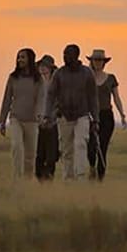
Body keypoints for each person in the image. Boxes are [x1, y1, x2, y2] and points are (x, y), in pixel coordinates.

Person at [46, 43, 97, 180]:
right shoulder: (59, 73)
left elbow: (92, 97)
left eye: (68, 54)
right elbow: (51, 94)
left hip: (82, 115)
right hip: (64, 116)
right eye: (64, 54)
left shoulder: (87, 73)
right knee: (67, 149)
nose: (65, 57)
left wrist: (96, 118)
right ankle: (68, 178)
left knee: (80, 144)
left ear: (76, 55)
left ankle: (80, 175)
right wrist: (47, 114)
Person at [0, 47, 40, 180]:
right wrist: (2, 121)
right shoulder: (13, 77)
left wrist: (40, 115)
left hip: (32, 120)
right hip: (16, 118)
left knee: (30, 153)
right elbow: (7, 98)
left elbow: (42, 98)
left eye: (23, 57)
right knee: (17, 146)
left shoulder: (37, 79)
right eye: (19, 57)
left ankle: (27, 180)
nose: (20, 60)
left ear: (30, 59)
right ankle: (17, 179)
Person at [86, 49, 127, 180]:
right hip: (91, 115)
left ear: (104, 62)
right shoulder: (87, 78)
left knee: (103, 146)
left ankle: (100, 177)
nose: (98, 63)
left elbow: (116, 97)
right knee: (91, 146)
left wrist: (122, 114)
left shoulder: (111, 78)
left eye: (100, 60)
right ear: (91, 62)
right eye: (95, 60)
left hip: (106, 115)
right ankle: (92, 167)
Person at [34, 54, 60, 181]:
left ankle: (49, 177)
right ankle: (40, 177)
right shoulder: (37, 83)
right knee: (39, 153)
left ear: (51, 68)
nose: (42, 69)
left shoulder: (56, 83)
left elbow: (58, 103)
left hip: (53, 123)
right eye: (41, 66)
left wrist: (51, 116)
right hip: (39, 122)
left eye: (45, 66)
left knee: (51, 154)